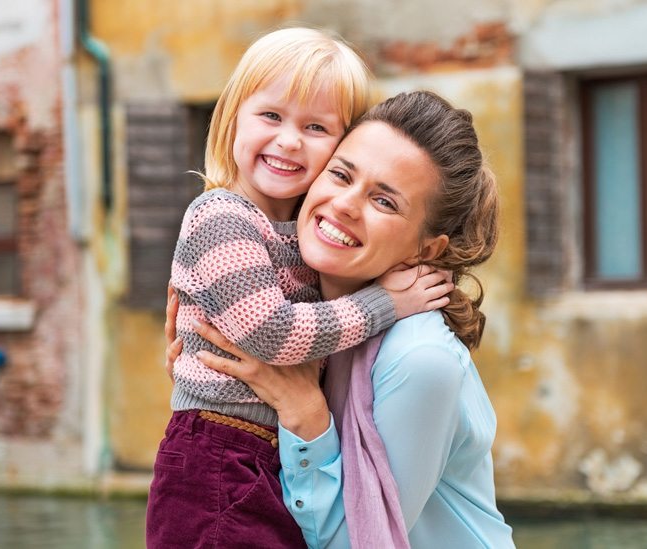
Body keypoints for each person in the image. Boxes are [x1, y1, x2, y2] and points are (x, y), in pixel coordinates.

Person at [168, 90, 517, 548]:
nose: (346, 204)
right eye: (340, 174)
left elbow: (357, 542)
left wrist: (305, 411)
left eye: (385, 202)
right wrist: (205, 378)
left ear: (426, 250)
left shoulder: (422, 359)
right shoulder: (296, 309)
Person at [146, 28, 452, 549]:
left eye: (315, 127)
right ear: (232, 117)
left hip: (265, 453)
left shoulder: (298, 236)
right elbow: (272, 333)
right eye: (271, 116)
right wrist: (387, 303)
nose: (289, 140)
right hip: (219, 457)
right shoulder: (221, 216)